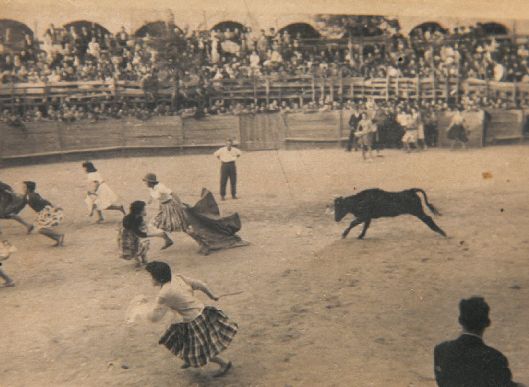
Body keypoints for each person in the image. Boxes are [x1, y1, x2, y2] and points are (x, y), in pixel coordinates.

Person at [140, 261, 238, 377]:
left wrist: (143, 308)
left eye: (151, 276)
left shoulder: (164, 294)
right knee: (183, 339)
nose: (150, 279)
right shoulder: (177, 278)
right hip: (203, 312)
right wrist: (212, 295)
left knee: (202, 349)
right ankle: (189, 358)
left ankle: (224, 364)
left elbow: (154, 317)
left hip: (193, 321)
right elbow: (200, 284)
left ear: (160, 279)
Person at [434, 296, 526, 387]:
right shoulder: (495, 357)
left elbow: (441, 381)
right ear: (487, 324)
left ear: (460, 321)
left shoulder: (441, 350)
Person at [118, 201, 172, 267]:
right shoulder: (131, 220)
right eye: (144, 209)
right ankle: (138, 260)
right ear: (139, 211)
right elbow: (140, 234)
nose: (145, 211)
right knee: (132, 247)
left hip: (135, 232)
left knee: (143, 244)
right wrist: (158, 235)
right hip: (128, 235)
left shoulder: (138, 217)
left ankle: (143, 259)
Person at [143, 173, 187, 249]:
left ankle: (202, 242)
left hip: (171, 206)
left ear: (151, 182)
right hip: (163, 207)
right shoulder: (150, 187)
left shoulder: (160, 187)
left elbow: (173, 193)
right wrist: (149, 201)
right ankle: (167, 240)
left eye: (146, 181)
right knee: (156, 223)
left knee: (180, 225)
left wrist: (180, 204)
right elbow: (151, 194)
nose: (145, 183)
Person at [22, 181, 64, 246]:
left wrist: (54, 207)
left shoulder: (31, 196)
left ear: (28, 188)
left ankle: (58, 236)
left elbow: (44, 202)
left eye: (24, 187)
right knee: (41, 229)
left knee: (41, 229)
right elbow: (45, 201)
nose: (23, 188)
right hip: (44, 212)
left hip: (46, 212)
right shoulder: (30, 195)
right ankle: (58, 238)